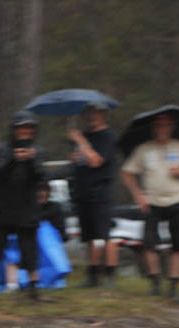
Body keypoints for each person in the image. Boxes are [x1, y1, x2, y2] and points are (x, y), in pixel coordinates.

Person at [121, 112, 179, 301]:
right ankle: (155, 282)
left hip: (177, 199)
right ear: (153, 128)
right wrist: (138, 195)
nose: (161, 129)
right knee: (148, 242)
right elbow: (126, 172)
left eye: (165, 125)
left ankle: (174, 286)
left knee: (178, 245)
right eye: (158, 125)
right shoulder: (144, 150)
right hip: (152, 202)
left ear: (171, 127)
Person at [0, 111, 46, 300]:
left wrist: (31, 159)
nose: (25, 132)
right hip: (4, 206)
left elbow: (40, 176)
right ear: (15, 130)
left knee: (29, 249)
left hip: (27, 207)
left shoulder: (38, 151)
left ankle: (34, 288)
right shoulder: (3, 149)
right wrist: (13, 159)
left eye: (29, 128)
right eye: (22, 128)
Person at [68, 102, 118, 286]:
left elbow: (97, 160)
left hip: (100, 191)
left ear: (103, 115)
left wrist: (80, 141)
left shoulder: (108, 137)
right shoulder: (86, 136)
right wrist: (75, 156)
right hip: (83, 190)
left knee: (104, 234)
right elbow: (83, 159)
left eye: (96, 113)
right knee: (89, 235)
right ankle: (93, 274)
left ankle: (110, 274)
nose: (92, 117)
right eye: (89, 113)